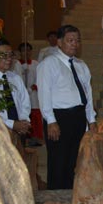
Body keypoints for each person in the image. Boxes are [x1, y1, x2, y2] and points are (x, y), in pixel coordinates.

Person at [37, 25, 97, 189]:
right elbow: (44, 93)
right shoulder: (49, 64)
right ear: (59, 42)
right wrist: (50, 121)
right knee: (58, 161)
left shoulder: (81, 65)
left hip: (78, 116)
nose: (74, 44)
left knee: (74, 160)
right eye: (70, 40)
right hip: (59, 118)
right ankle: (56, 199)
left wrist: (91, 119)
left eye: (77, 41)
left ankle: (71, 196)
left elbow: (88, 93)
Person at [0, 39, 32, 137]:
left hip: (18, 131)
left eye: (10, 54)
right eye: (3, 55)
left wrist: (23, 121)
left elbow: (25, 102)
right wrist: (12, 124)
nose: (9, 58)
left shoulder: (15, 78)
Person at [18, 42, 43, 143]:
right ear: (20, 52)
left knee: (35, 115)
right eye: (23, 50)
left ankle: (35, 138)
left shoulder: (35, 63)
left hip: (33, 93)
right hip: (21, 93)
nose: (26, 52)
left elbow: (40, 78)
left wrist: (32, 87)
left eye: (28, 50)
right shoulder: (16, 64)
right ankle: (24, 138)